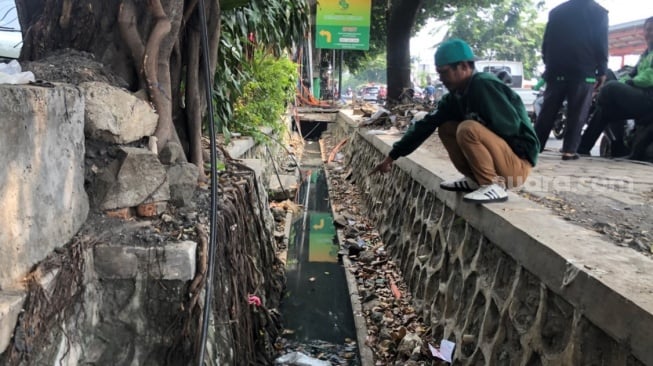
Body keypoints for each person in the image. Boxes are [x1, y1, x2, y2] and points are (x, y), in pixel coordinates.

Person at [370, 39, 540, 203]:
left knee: (468, 129)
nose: (442, 79)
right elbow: (425, 125)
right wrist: (391, 157)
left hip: (517, 164)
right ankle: (475, 180)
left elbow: (510, 127)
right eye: (439, 73)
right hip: (502, 159)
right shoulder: (455, 97)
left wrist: (478, 124)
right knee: (446, 127)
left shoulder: (483, 85)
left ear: (464, 66)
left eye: (444, 72)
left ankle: (492, 184)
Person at [534, 0, 608, 160]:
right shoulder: (599, 12)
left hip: (556, 69)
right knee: (578, 111)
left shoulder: (556, 12)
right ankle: (569, 151)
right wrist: (602, 70)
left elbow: (546, 42)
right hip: (583, 68)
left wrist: (549, 64)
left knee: (547, 110)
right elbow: (601, 42)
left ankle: (534, 147)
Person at [577, 16, 653, 157]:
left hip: (649, 98)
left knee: (610, 87)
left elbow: (649, 77)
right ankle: (583, 147)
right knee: (605, 110)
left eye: (652, 30)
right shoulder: (645, 54)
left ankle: (597, 100)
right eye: (647, 30)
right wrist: (627, 81)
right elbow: (631, 74)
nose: (650, 33)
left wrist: (631, 82)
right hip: (639, 97)